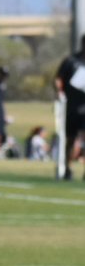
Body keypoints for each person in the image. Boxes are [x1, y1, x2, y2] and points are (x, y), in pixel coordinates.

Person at [54, 35, 85, 180]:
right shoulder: (71, 61)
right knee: (71, 138)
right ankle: (66, 167)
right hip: (73, 106)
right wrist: (60, 93)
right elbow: (59, 78)